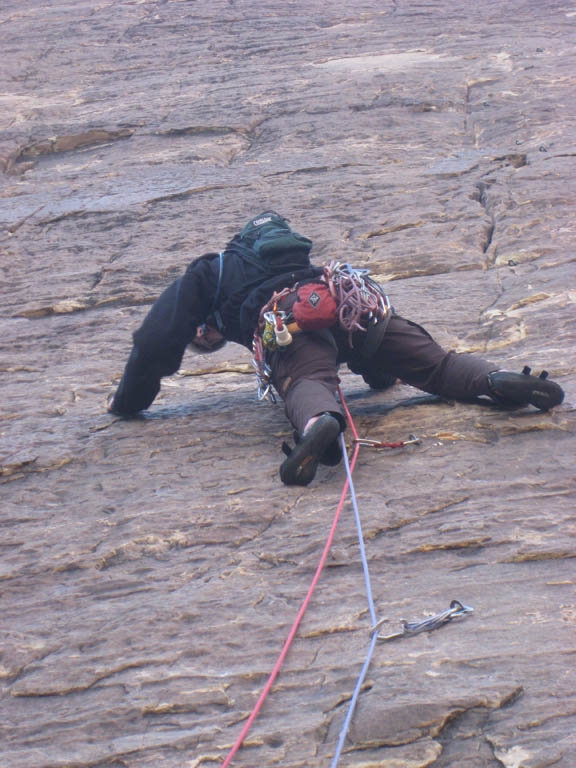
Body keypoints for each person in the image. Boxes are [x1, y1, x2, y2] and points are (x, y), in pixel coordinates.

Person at [108, 211, 565, 486]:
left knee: (306, 380)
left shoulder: (210, 273)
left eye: (203, 336)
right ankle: (496, 381)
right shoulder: (303, 265)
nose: (206, 339)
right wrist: (380, 375)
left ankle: (320, 424)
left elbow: (151, 342)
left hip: (288, 324)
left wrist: (128, 404)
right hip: (353, 310)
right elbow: (375, 365)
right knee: (438, 365)